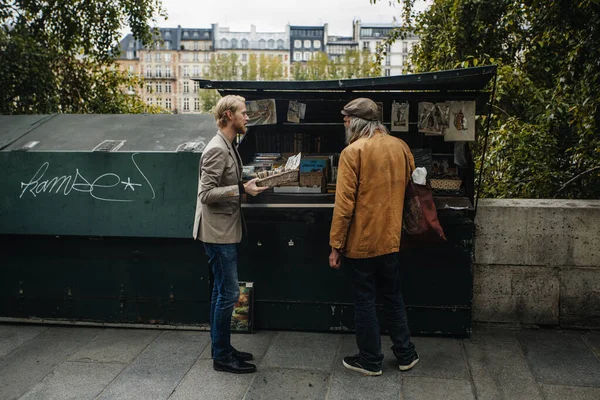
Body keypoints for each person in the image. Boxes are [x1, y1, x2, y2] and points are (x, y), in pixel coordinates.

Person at [329, 97, 419, 376]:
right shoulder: (400, 147)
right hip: (392, 239)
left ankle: (370, 360)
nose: (343, 123)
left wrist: (335, 245)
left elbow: (344, 206)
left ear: (356, 121)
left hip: (362, 243)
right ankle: (406, 355)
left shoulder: (353, 152)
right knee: (393, 296)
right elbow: (411, 186)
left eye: (345, 119)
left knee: (365, 300)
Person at [193, 95, 268, 374]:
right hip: (217, 233)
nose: (247, 117)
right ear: (227, 116)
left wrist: (245, 183)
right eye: (243, 113)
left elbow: (225, 181)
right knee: (228, 294)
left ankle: (221, 348)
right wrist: (241, 190)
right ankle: (222, 356)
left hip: (223, 230)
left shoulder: (228, 145)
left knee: (220, 293)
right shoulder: (216, 149)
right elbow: (206, 194)